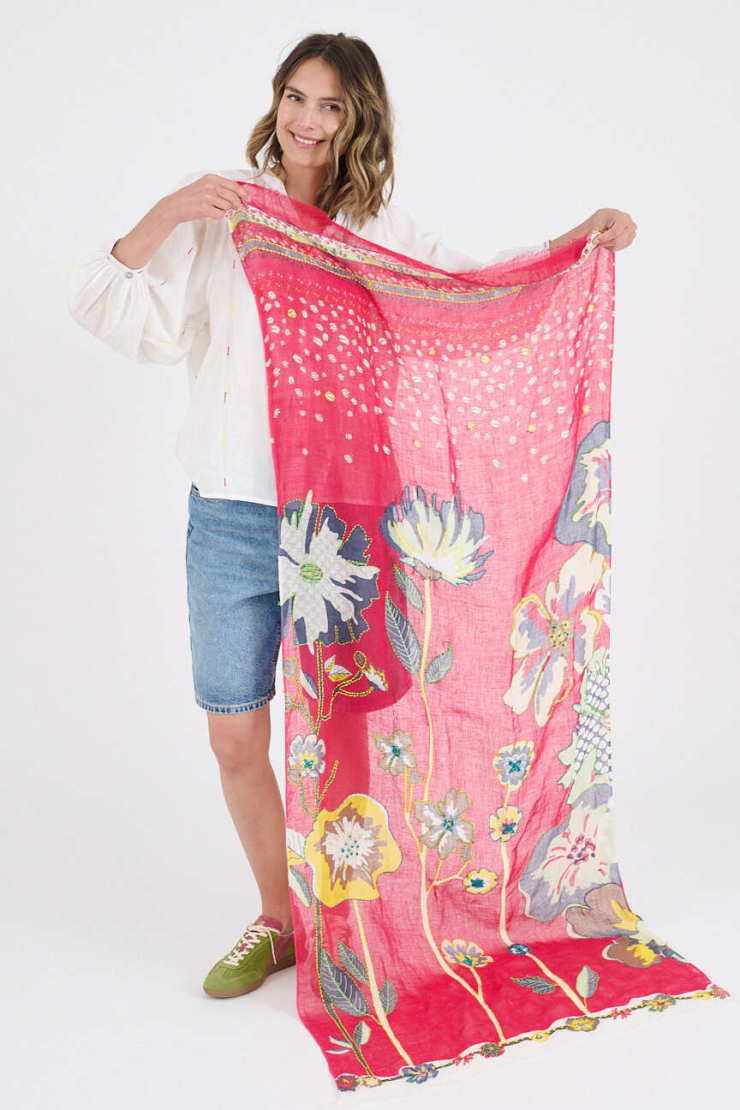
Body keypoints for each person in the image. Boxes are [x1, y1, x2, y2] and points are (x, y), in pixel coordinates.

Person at [68, 31, 637, 1002]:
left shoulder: (378, 229)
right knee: (235, 734)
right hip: (231, 517)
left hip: (343, 522)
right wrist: (172, 210)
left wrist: (572, 243)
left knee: (346, 734)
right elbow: (108, 306)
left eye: (330, 104)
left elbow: (469, 292)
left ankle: (356, 926)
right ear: (276, 100)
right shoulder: (229, 212)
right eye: (296, 96)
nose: (308, 119)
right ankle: (279, 919)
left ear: (356, 118)